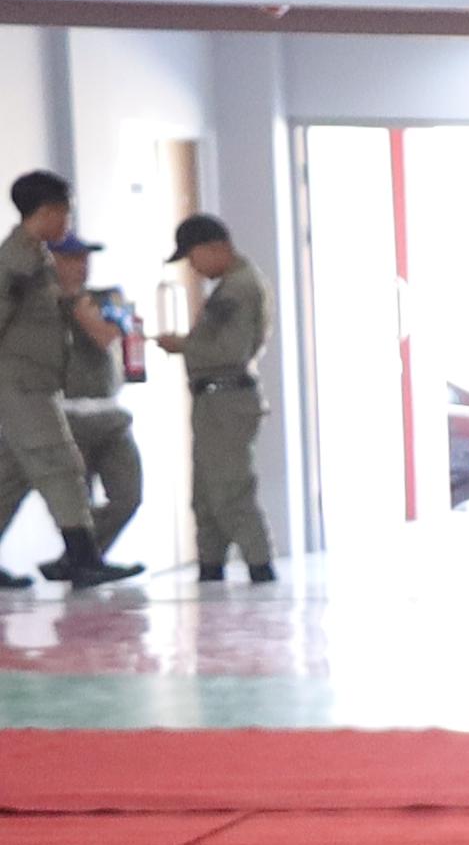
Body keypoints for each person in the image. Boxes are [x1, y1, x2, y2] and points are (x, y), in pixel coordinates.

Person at [0, 171, 131, 587]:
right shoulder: (16, 262)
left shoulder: (36, 258)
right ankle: (83, 559)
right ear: (47, 211)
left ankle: (82, 558)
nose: (67, 222)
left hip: (35, 384)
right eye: (65, 212)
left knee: (10, 475)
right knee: (59, 465)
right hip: (21, 385)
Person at [155, 213, 278, 582]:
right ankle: (211, 566)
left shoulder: (238, 288)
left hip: (227, 400)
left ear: (216, 247)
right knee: (207, 494)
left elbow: (230, 350)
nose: (193, 267)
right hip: (214, 401)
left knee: (230, 489)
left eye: (193, 257)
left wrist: (183, 345)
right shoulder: (233, 284)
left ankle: (259, 565)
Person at [47, 235, 142, 569]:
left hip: (108, 413)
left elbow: (106, 335)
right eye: (71, 259)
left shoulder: (104, 299)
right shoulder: (39, 306)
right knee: (76, 501)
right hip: (65, 415)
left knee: (128, 495)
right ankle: (83, 563)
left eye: (84, 258)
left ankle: (76, 560)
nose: (81, 266)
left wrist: (75, 300)